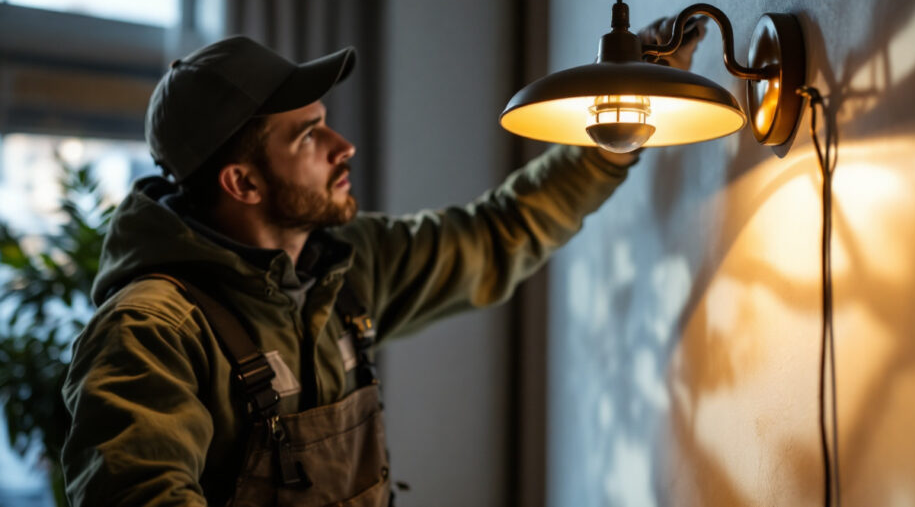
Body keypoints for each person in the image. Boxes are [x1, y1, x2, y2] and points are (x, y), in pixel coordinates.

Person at [58, 34, 643, 507]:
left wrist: (617, 132)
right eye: (310, 135)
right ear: (243, 182)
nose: (344, 146)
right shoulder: (149, 331)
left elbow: (497, 234)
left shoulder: (343, 265)